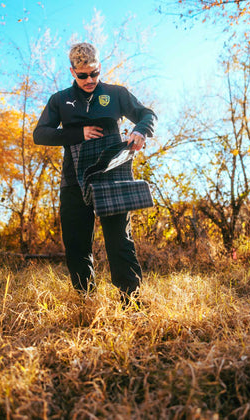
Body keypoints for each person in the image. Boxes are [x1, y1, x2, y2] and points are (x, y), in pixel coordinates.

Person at [33, 42, 157, 303]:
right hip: (73, 181)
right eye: (82, 75)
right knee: (77, 246)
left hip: (111, 177)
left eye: (94, 73)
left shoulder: (115, 94)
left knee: (119, 242)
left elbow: (147, 114)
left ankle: (131, 301)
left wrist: (140, 131)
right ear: (72, 72)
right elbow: (40, 134)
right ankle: (86, 302)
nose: (90, 80)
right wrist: (79, 133)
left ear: (99, 68)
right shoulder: (59, 100)